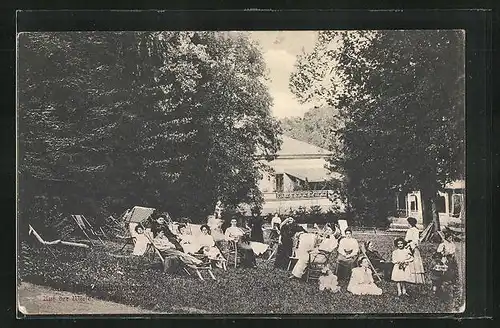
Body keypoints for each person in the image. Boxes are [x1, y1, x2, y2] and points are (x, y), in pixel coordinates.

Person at [404, 217, 426, 284]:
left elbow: (410, 240)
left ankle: (412, 279)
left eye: (407, 223)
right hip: (413, 247)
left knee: (412, 261)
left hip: (411, 247)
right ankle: (416, 278)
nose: (407, 224)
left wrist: (409, 245)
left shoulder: (411, 230)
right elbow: (416, 241)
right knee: (415, 262)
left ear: (410, 223)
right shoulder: (416, 230)